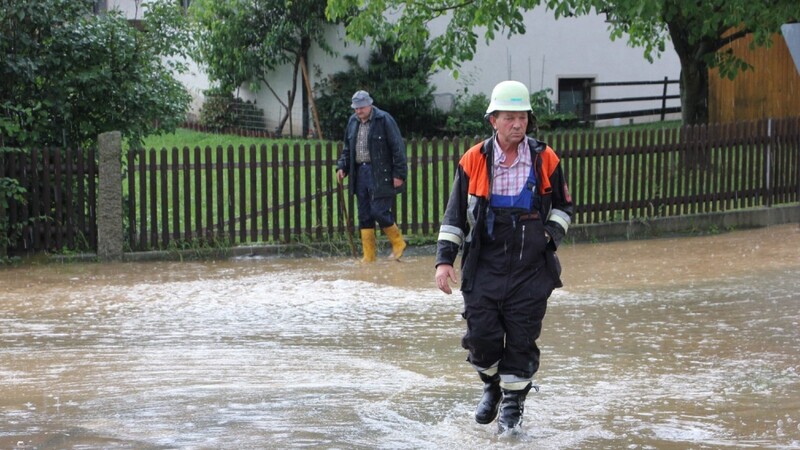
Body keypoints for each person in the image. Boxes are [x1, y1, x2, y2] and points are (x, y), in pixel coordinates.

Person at [434, 80, 573, 433]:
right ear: (493, 120)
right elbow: (453, 218)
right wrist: (444, 260)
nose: (517, 124)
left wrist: (549, 236)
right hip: (485, 264)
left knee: (522, 336)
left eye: (522, 117)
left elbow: (564, 207)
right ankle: (492, 385)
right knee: (481, 337)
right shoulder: (473, 160)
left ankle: (513, 402)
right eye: (509, 117)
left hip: (531, 267)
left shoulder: (546, 158)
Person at [336, 90, 408, 263]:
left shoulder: (384, 120)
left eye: (361, 107)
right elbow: (347, 148)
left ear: (369, 104)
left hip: (381, 174)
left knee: (379, 211)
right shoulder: (353, 122)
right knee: (365, 215)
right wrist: (342, 167)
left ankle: (398, 243)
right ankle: (369, 256)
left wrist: (399, 174)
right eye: (356, 108)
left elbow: (397, 148)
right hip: (360, 172)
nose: (358, 111)